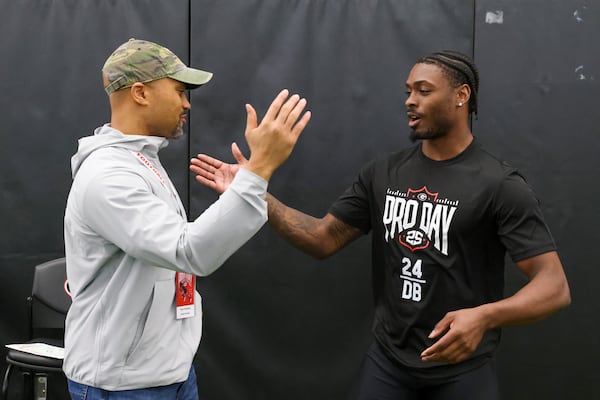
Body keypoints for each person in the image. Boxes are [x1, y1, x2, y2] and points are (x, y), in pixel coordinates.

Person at [189, 50, 571, 399]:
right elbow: (323, 239)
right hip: (390, 364)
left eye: (423, 90)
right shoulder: (385, 173)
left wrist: (484, 315)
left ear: (461, 96)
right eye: (408, 91)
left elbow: (553, 288)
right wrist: (253, 191)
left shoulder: (499, 184)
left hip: (461, 372)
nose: (410, 100)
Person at [63, 38, 310, 399]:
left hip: (168, 373)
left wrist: (247, 187)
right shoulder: (109, 176)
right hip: (123, 387)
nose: (187, 103)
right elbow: (190, 251)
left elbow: (178, 245)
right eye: (179, 90)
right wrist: (258, 170)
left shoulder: (140, 160)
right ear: (140, 93)